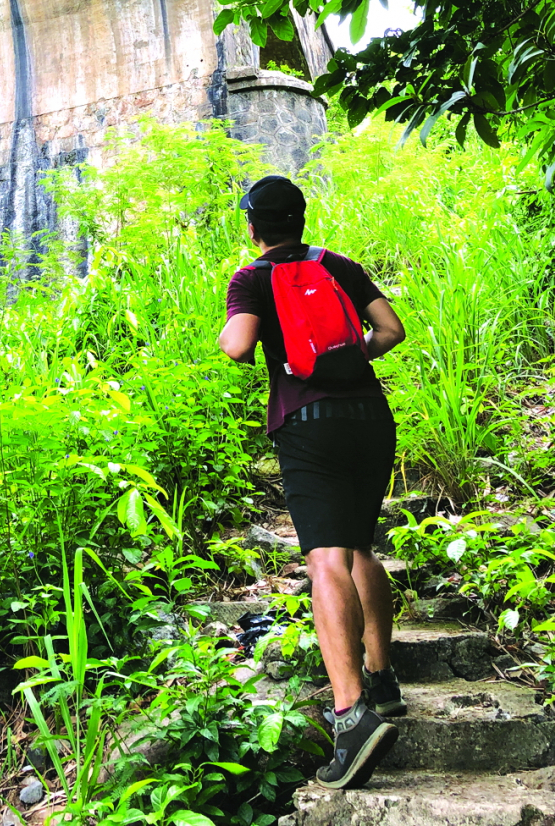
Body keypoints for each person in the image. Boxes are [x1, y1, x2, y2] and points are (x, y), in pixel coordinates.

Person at [219, 174, 407, 790]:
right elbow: (390, 330)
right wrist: (348, 359)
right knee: (359, 547)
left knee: (325, 558)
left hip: (308, 425)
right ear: (301, 219)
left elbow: (238, 348)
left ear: (253, 225)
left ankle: (352, 714)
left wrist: (250, 334)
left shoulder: (253, 278)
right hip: (370, 420)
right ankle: (383, 679)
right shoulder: (340, 266)